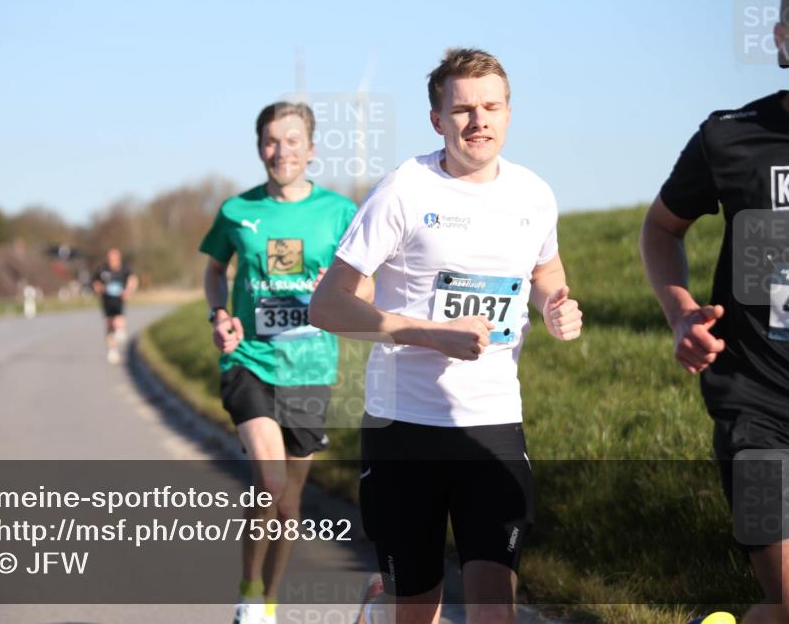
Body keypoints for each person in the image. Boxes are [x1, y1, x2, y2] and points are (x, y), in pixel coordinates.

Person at [310, 48, 582, 624]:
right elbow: (328, 305)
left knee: (494, 609)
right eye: (462, 110)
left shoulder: (534, 194)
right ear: (438, 120)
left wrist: (555, 303)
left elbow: (545, 271)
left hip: (494, 424)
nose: (478, 121)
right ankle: (383, 610)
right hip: (405, 427)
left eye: (491, 107)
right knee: (417, 609)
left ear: (509, 113)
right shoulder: (404, 190)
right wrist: (429, 333)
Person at [640, 0, 789, 624]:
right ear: (785, 38)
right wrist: (680, 311)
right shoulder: (731, 137)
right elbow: (660, 228)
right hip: (757, 409)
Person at [199, 101, 358, 624]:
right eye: (270, 140)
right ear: (258, 147)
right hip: (249, 359)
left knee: (289, 504)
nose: (280, 151)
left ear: (311, 150)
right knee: (268, 480)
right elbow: (215, 270)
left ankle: (268, 598)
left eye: (292, 141)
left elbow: (366, 280)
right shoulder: (235, 211)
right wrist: (219, 314)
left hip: (310, 367)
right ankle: (248, 590)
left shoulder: (339, 213)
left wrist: (337, 290)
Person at [92, 247, 137, 364]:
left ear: (118, 258)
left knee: (118, 320)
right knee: (109, 326)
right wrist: (98, 289)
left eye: (114, 257)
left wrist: (128, 291)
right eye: (110, 258)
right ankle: (113, 350)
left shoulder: (125, 270)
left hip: (119, 300)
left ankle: (121, 331)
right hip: (106, 301)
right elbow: (95, 283)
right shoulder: (102, 270)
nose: (112, 260)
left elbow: (133, 280)